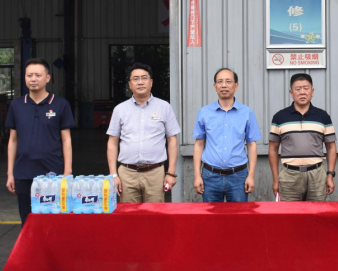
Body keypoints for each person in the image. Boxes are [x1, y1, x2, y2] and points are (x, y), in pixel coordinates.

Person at [5, 58, 75, 224]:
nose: (33, 79)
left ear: (47, 78)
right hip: (23, 173)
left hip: (52, 174)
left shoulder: (60, 104)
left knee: (53, 222)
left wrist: (67, 172)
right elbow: (13, 141)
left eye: (38, 75)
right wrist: (10, 173)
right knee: (27, 221)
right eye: (29, 75)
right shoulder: (16, 105)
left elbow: (66, 140)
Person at [106, 63, 180, 204]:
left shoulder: (164, 107)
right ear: (130, 84)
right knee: (129, 214)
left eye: (144, 78)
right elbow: (112, 143)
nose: (140, 82)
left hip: (155, 173)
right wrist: (113, 174)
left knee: (155, 214)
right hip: (127, 174)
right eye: (135, 79)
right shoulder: (120, 110)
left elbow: (172, 140)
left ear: (151, 82)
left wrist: (171, 173)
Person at [192, 68, 261, 202]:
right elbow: (199, 144)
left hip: (238, 177)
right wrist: (197, 175)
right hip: (210, 176)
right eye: (220, 82)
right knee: (211, 215)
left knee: (239, 214)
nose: (224, 85)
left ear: (236, 86)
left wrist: (251, 175)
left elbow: (252, 145)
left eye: (228, 81)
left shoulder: (247, 113)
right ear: (215, 86)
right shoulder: (204, 112)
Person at [268, 73, 337, 201]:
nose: (302, 92)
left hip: (317, 175)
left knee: (317, 212)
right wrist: (275, 179)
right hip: (289, 176)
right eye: (298, 89)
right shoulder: (280, 117)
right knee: (290, 212)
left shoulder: (323, 116)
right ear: (291, 92)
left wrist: (330, 175)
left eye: (306, 88)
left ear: (312, 91)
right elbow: (273, 149)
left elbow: (331, 147)